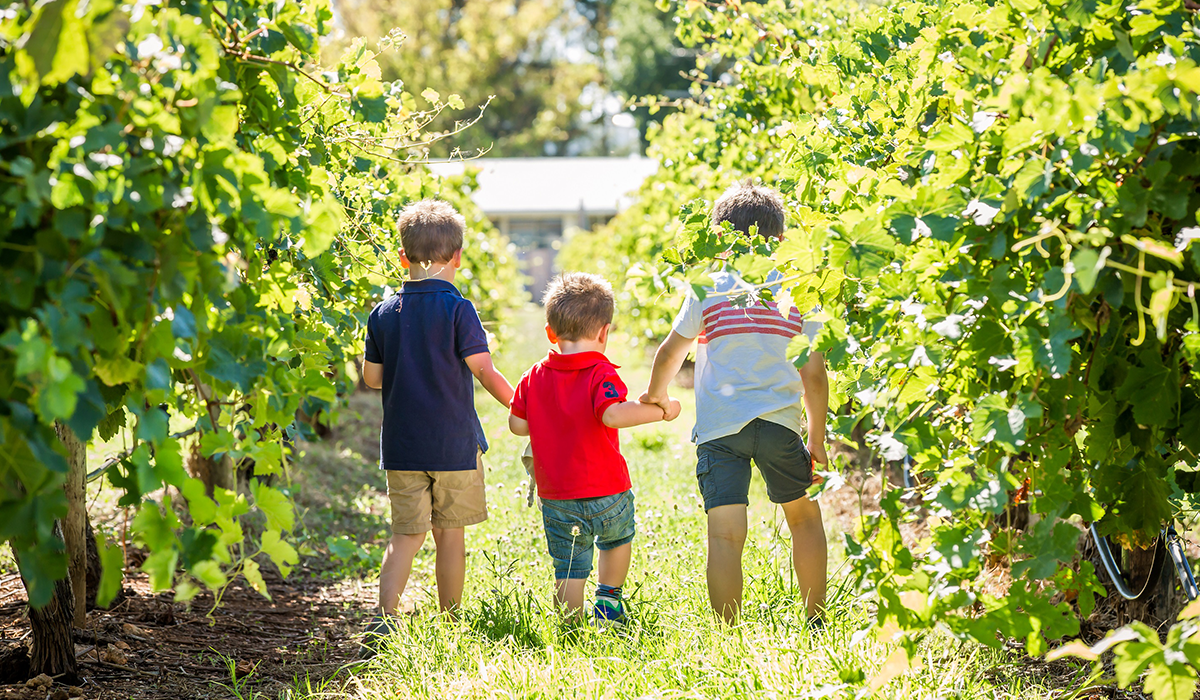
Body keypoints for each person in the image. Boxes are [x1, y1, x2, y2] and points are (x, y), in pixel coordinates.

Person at [640, 182, 830, 625]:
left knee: (725, 535)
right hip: (780, 425)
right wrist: (816, 439)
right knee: (804, 520)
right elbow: (815, 373)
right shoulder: (798, 290)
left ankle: (728, 633)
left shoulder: (708, 287)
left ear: (720, 238)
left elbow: (671, 351)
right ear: (781, 240)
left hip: (720, 428)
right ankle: (815, 620)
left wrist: (656, 395)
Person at [361, 199, 515, 638]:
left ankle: (385, 617)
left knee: (406, 535)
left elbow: (372, 378)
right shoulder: (459, 309)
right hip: (454, 446)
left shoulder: (383, 313)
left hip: (403, 447)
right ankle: (450, 621)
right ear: (458, 257)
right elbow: (483, 369)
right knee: (451, 535)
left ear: (402, 256)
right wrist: (520, 405)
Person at [509, 272, 681, 623]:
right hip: (607, 488)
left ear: (550, 333)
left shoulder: (533, 377)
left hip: (557, 494)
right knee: (616, 540)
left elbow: (517, 425)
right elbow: (613, 415)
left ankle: (569, 623)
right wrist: (660, 410)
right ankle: (608, 602)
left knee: (569, 562)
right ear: (604, 332)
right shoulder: (600, 373)